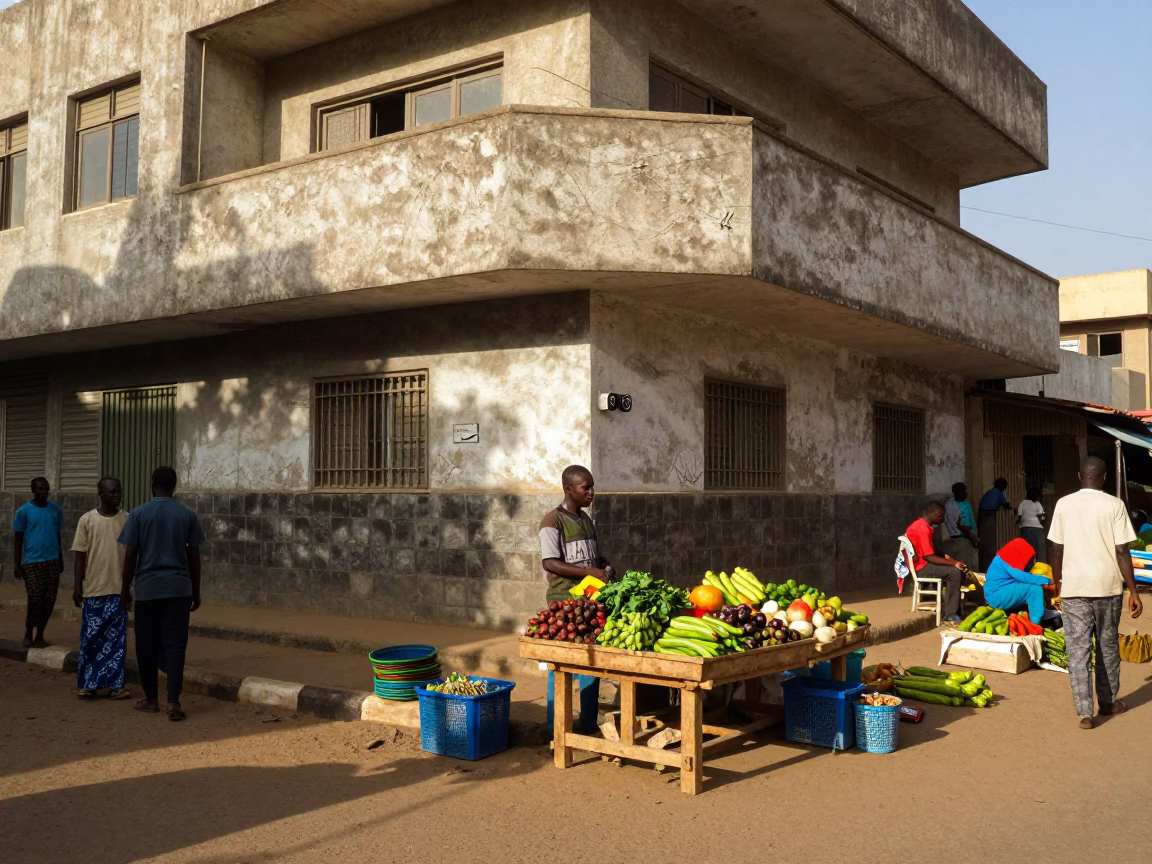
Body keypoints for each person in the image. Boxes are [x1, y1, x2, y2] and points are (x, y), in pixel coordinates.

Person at [1049, 456, 1143, 729]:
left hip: (1074, 588)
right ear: (1103, 478)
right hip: (1107, 586)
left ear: (1080, 476)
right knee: (1107, 647)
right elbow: (1122, 550)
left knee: (1078, 651)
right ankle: (1108, 702)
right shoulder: (1114, 505)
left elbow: (1056, 549)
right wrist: (1133, 591)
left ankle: (1084, 713)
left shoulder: (1064, 504)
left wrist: (1058, 584)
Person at [119, 466, 205, 721]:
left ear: (152, 484)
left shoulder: (138, 514)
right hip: (179, 589)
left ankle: (151, 699)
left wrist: (125, 590)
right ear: (175, 486)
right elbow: (194, 555)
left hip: (147, 589)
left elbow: (130, 555)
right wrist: (196, 591)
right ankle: (173, 701)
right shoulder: (187, 515)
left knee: (146, 644)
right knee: (176, 644)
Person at [539, 465, 615, 734]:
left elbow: (594, 558)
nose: (591, 492)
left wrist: (604, 567)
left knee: (590, 661)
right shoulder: (552, 521)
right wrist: (587, 571)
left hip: (590, 602)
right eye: (586, 487)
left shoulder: (586, 520)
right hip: (564, 603)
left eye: (592, 486)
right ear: (569, 489)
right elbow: (550, 562)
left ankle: (588, 723)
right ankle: (554, 728)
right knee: (558, 664)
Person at [72, 477, 132, 699]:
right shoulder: (87, 520)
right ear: (101, 493)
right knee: (91, 638)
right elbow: (80, 556)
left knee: (117, 641)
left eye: (118, 491)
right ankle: (88, 684)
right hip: (94, 590)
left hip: (118, 590)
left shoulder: (127, 519)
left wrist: (129, 588)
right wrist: (77, 586)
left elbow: (131, 555)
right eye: (112, 491)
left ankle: (116, 684)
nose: (117, 495)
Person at [12, 476, 64, 648]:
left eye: (46, 489)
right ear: (33, 490)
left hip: (52, 561)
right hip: (32, 563)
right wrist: (17, 564)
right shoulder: (24, 511)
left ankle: (40, 635)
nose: (44, 492)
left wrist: (61, 558)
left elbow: (57, 535)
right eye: (40, 489)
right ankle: (28, 632)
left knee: (48, 600)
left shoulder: (55, 510)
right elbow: (18, 539)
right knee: (35, 599)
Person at [905, 502, 968, 625]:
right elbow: (929, 557)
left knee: (958, 569)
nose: (943, 519)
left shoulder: (924, 525)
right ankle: (950, 614)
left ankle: (953, 607)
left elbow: (931, 550)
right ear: (932, 514)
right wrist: (953, 563)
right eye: (941, 516)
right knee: (954, 572)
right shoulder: (922, 529)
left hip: (924, 563)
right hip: (921, 568)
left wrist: (949, 559)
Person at [984, 537, 1050, 625]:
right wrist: (1047, 581)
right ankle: (1035, 624)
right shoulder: (1007, 560)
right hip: (996, 595)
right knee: (1034, 590)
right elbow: (1023, 577)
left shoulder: (1004, 557)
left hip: (1000, 592)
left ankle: (1038, 615)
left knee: (1031, 588)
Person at [977, 477, 1012, 571]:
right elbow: (1006, 504)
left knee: (985, 541)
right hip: (988, 516)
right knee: (990, 543)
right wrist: (1012, 508)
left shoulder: (991, 492)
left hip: (984, 516)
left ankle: (985, 565)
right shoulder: (999, 493)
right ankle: (988, 567)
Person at [943, 482, 980, 569]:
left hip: (953, 537)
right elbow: (964, 527)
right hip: (964, 539)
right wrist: (974, 540)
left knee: (958, 564)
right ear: (957, 492)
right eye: (963, 491)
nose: (966, 493)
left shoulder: (949, 503)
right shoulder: (963, 506)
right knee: (966, 567)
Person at [1017, 486, 1047, 564]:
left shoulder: (1022, 503)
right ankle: (1040, 568)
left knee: (1027, 551)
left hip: (1025, 529)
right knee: (1040, 550)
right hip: (1037, 529)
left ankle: (1028, 569)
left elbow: (1019, 516)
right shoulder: (1037, 504)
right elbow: (1042, 517)